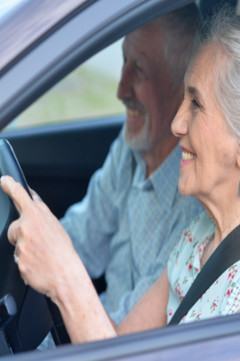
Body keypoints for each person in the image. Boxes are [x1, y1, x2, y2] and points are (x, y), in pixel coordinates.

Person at [3, 4, 240, 344]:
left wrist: (64, 274)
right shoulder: (196, 238)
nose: (177, 123)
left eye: (196, 104)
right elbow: (120, 345)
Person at [59, 4, 202, 324]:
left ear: (182, 91)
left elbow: (123, 341)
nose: (121, 90)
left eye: (138, 70)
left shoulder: (196, 203)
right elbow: (81, 240)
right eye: (124, 61)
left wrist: (56, 271)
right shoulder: (129, 149)